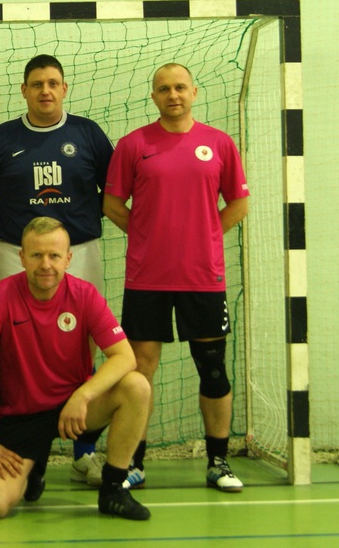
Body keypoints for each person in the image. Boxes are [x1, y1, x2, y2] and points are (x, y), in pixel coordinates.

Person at [103, 63, 250, 493]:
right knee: (139, 372)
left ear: (194, 93)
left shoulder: (219, 143)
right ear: (154, 97)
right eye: (164, 89)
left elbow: (238, 204)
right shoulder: (133, 145)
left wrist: (203, 236)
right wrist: (148, 235)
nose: (173, 95)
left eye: (180, 87)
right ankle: (133, 463)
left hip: (203, 278)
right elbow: (112, 205)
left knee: (213, 369)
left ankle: (218, 461)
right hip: (146, 279)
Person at [0, 54, 115, 486]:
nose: (45, 91)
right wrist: (16, 228)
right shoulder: (3, 137)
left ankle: (84, 452)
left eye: (53, 83)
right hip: (17, 251)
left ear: (64, 88)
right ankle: (18, 443)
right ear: (24, 90)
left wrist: (71, 234)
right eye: (37, 84)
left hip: (79, 251)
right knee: (13, 344)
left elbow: (113, 190)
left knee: (84, 346)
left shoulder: (87, 133)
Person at [0, 217, 151, 520]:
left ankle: (113, 490)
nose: (45, 264)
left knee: (136, 386)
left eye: (54, 255)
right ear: (22, 257)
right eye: (36, 255)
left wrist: (83, 395)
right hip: (22, 416)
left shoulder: (85, 295)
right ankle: (33, 470)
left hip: (73, 409)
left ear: (68, 259)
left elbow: (125, 357)